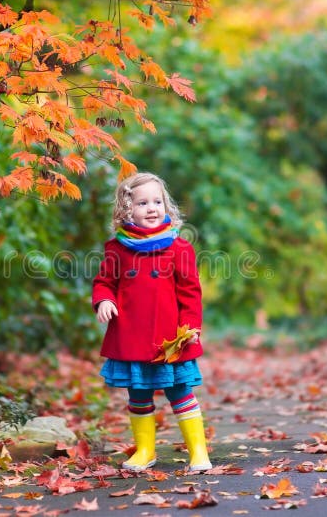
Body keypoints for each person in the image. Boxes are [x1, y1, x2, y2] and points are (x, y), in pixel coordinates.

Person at [92, 172, 212, 472]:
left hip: (171, 339)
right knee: (139, 394)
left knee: (180, 390)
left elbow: (190, 293)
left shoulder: (179, 248)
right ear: (126, 209)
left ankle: (198, 452)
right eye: (142, 202)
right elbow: (104, 281)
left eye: (157, 201)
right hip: (132, 337)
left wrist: (191, 328)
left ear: (166, 206)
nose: (152, 208)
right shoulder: (117, 249)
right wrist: (104, 299)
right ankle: (145, 451)